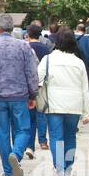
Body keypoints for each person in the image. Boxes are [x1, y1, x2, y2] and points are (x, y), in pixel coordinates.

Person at [0, 14, 39, 176]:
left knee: (2, 134)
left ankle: (9, 172)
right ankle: (17, 153)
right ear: (12, 28)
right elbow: (31, 73)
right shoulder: (23, 46)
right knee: (23, 130)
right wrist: (33, 94)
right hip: (19, 96)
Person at [35, 29, 89, 176]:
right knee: (70, 136)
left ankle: (59, 169)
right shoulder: (79, 62)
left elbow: (36, 79)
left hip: (54, 104)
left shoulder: (48, 59)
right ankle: (68, 168)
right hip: (74, 104)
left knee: (56, 137)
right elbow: (85, 89)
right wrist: (87, 112)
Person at [25, 23, 52, 152]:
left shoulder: (25, 47)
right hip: (43, 84)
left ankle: (30, 144)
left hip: (28, 85)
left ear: (28, 34)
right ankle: (43, 141)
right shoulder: (46, 49)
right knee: (41, 114)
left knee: (30, 116)